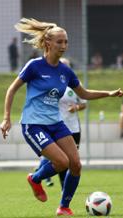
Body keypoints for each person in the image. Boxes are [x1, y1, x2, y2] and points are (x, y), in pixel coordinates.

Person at [0, 18, 123, 216]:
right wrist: (7, 118)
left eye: (66, 42)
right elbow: (12, 89)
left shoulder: (66, 71)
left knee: (75, 164)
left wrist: (108, 94)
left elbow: (83, 94)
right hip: (34, 125)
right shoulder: (34, 66)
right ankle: (35, 179)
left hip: (56, 123)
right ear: (48, 43)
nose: (64, 46)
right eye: (60, 42)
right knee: (62, 163)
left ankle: (63, 207)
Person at [41, 57, 87, 188]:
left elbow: (83, 104)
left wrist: (76, 108)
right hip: (58, 127)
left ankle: (50, 177)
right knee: (62, 159)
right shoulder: (52, 84)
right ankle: (62, 186)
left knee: (73, 161)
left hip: (74, 128)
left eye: (66, 65)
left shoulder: (75, 84)